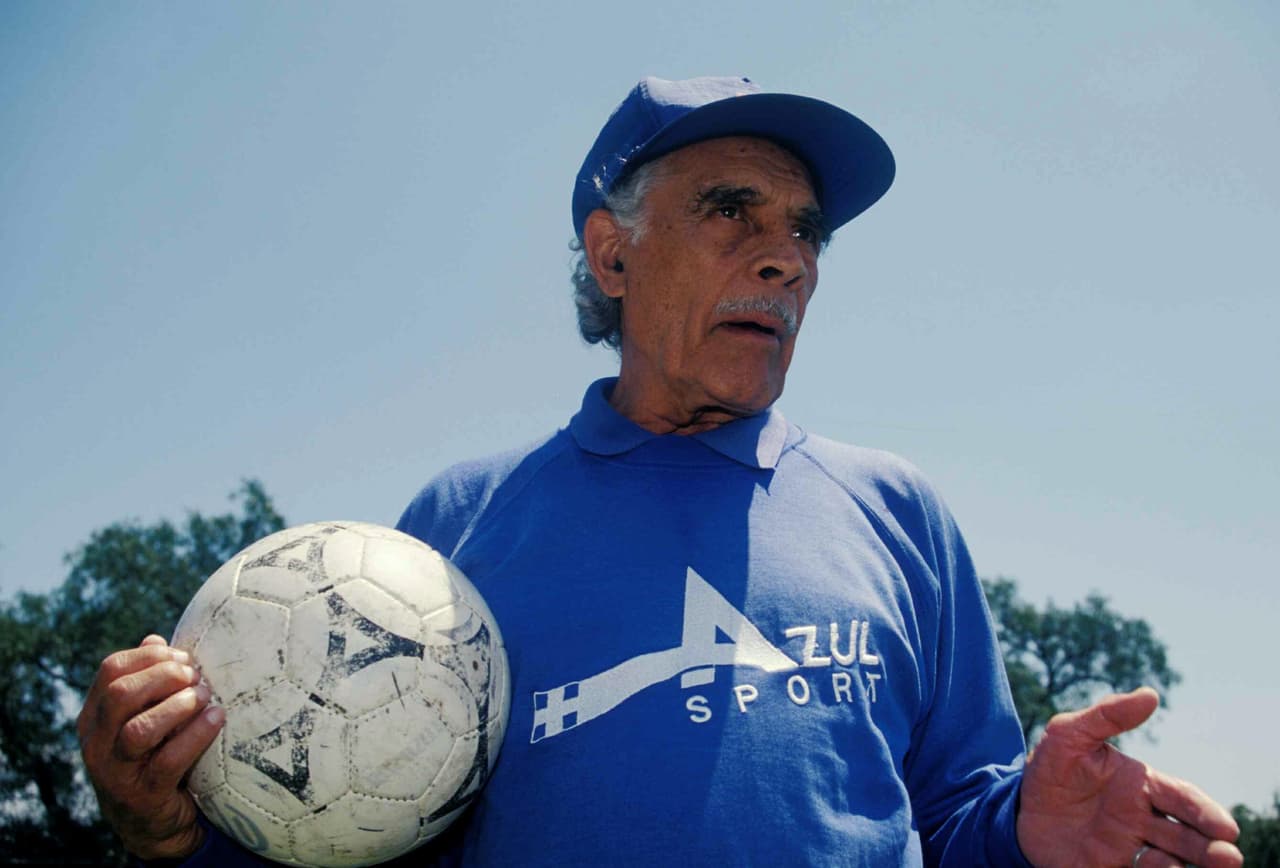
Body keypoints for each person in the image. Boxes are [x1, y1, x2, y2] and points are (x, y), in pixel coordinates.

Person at [78, 76, 1243, 867]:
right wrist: (176, 824)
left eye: (805, 229)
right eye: (730, 211)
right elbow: (353, 822)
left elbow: (951, 813)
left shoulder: (895, 509)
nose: (784, 256)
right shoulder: (451, 531)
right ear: (612, 251)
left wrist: (1029, 829)